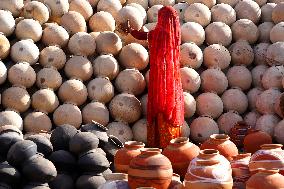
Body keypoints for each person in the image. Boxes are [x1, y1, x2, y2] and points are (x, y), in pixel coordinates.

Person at [118, 6, 184, 148]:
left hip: (160, 76)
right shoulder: (175, 35)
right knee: (170, 105)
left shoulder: (158, 34)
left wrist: (130, 30)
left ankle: (159, 143)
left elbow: (141, 36)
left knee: (159, 103)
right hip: (172, 77)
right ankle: (172, 143)